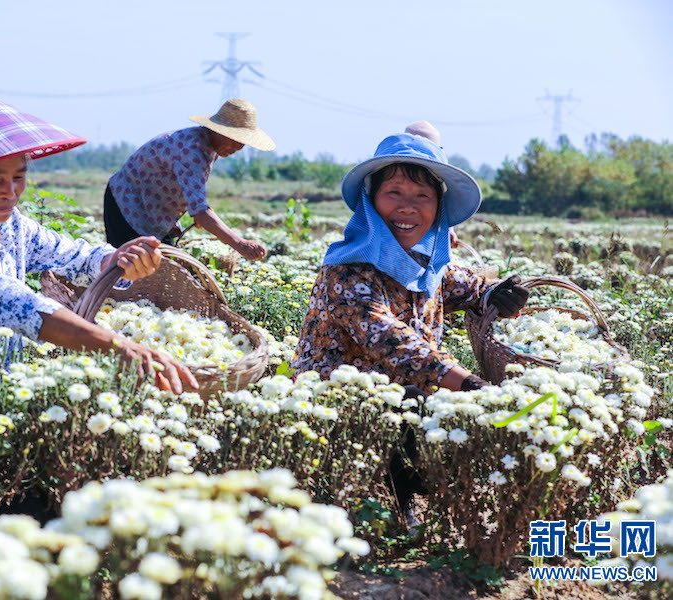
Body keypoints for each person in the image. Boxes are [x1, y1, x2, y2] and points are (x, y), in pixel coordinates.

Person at [292, 122, 529, 528]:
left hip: (406, 393)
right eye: (394, 193)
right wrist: (467, 382)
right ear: (371, 201)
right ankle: (390, 505)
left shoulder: (423, 261)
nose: (408, 206)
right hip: (339, 403)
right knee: (414, 404)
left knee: (428, 409)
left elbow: (458, 285)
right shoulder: (349, 269)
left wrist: (494, 294)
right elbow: (391, 341)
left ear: (438, 208)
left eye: (422, 196)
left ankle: (422, 491)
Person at [0, 85, 197, 395]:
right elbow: (25, 308)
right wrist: (119, 347)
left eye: (19, 177)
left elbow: (74, 256)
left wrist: (116, 261)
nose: (10, 192)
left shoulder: (14, 229)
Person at [104, 98, 274, 259]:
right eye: (235, 139)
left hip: (153, 212)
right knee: (127, 272)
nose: (238, 147)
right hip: (126, 204)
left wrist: (201, 217)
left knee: (160, 273)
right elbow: (200, 212)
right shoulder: (192, 152)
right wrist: (240, 244)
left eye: (243, 141)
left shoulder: (210, 147)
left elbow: (190, 194)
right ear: (218, 130)